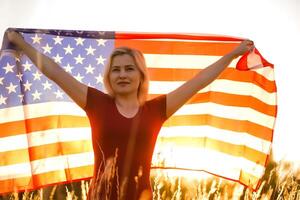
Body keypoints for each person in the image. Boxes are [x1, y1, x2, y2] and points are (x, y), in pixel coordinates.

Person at [6, 31, 254, 200]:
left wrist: (232, 54)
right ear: (109, 77)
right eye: (116, 70)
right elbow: (56, 72)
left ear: (141, 75)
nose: (122, 74)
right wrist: (22, 43)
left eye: (129, 69)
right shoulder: (96, 103)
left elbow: (199, 82)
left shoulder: (157, 110)